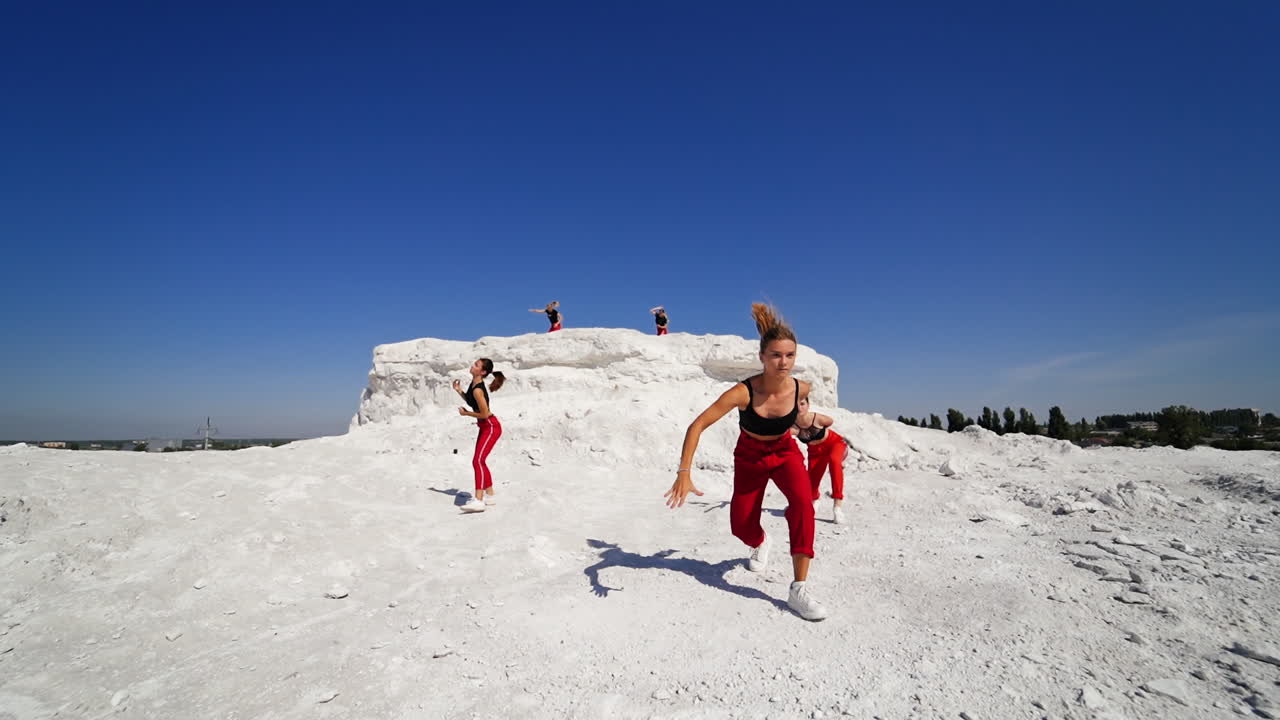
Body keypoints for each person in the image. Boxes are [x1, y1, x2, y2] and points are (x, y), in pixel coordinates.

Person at [663, 303, 828, 621]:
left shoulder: (801, 388)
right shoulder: (742, 393)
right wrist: (684, 472)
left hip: (785, 452)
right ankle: (760, 541)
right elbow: (697, 425)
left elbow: (799, 416)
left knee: (803, 504)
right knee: (740, 524)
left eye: (790, 356)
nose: (784, 362)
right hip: (749, 456)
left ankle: (799, 589)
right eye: (776, 355)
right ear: (763, 358)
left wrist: (808, 423)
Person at [453, 358, 506, 513]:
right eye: (474, 363)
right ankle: (489, 495)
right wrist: (459, 390)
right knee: (480, 461)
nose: (472, 365)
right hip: (484, 426)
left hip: (490, 426)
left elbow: (484, 413)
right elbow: (471, 401)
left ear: (482, 372)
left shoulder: (478, 389)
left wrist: (466, 414)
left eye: (476, 365)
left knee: (478, 461)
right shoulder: (473, 385)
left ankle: (478, 500)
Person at [792, 396, 848, 525]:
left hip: (834, 444)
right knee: (811, 481)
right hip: (815, 452)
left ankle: (837, 507)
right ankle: (815, 499)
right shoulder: (793, 424)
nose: (800, 408)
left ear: (808, 404)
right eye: (796, 405)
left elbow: (830, 422)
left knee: (834, 462)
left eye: (802, 404)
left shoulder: (816, 418)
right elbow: (784, 434)